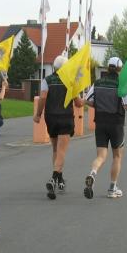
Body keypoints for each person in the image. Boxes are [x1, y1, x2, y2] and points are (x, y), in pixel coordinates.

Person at [34, 55, 83, 200]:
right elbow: (78, 103)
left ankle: (60, 178)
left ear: (54, 67)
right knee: (62, 151)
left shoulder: (47, 80)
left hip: (51, 118)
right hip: (66, 118)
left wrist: (38, 114)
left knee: (56, 149)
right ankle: (54, 178)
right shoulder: (71, 81)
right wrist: (85, 100)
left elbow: (43, 97)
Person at [83, 57, 127, 199]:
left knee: (100, 156)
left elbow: (89, 101)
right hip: (116, 124)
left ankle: (93, 173)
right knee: (117, 156)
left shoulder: (98, 83)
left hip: (100, 123)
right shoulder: (121, 84)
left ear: (108, 68)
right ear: (119, 69)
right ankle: (112, 188)